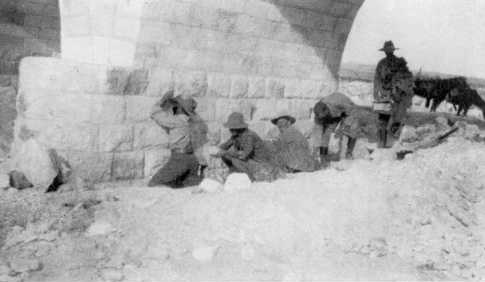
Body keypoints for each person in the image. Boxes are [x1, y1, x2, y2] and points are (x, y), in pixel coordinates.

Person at [148, 91, 202, 188]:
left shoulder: (177, 120)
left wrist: (161, 101)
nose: (173, 107)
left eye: (175, 105)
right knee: (184, 185)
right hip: (193, 159)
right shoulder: (192, 121)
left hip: (179, 159)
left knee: (154, 184)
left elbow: (155, 114)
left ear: (180, 108)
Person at [213, 112, 283, 182]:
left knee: (235, 160)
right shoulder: (236, 136)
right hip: (251, 162)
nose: (230, 130)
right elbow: (225, 145)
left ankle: (250, 178)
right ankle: (234, 172)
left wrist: (226, 152)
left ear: (239, 128)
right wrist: (215, 150)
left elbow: (243, 155)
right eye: (230, 128)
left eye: (233, 128)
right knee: (226, 156)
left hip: (261, 165)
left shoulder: (249, 136)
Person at [373, 40, 412, 148]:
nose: (388, 52)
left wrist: (400, 92)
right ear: (384, 52)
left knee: (396, 121)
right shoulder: (381, 63)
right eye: (386, 51)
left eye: (389, 50)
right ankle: (381, 145)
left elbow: (407, 79)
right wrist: (377, 94)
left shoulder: (400, 63)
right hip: (384, 95)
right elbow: (377, 79)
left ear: (393, 51)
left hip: (397, 96)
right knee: (382, 121)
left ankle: (391, 145)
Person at [312, 92, 367, 165]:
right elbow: (318, 134)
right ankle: (324, 156)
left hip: (349, 112)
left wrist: (343, 127)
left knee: (352, 130)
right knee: (326, 134)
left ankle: (349, 153)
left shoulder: (338, 101)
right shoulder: (318, 113)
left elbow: (353, 112)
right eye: (321, 118)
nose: (322, 119)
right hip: (334, 115)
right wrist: (316, 151)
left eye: (323, 116)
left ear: (326, 110)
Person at [182, 96, 209, 177]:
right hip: (195, 142)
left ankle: (199, 169)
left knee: (196, 156)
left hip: (194, 142)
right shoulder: (194, 115)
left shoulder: (192, 117)